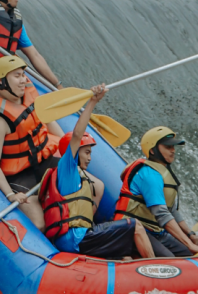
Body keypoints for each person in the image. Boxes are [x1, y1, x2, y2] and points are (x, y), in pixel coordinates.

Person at [39, 85, 156, 260]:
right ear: (75, 151)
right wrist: (93, 101)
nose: (90, 158)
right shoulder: (67, 168)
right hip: (75, 239)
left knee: (126, 255)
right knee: (135, 226)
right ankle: (154, 266)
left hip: (79, 237)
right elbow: (77, 134)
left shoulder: (83, 178)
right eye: (86, 152)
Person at [0, 55, 64, 230]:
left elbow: (47, 122)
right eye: (16, 76)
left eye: (23, 74)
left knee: (96, 187)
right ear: (2, 82)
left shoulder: (29, 97)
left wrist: (67, 147)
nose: (23, 80)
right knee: (38, 223)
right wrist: (10, 195)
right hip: (19, 174)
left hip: (42, 159)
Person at [113, 126, 198, 257]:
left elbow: (171, 210)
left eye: (173, 147)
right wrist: (189, 245)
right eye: (168, 147)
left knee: (189, 256)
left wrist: (190, 235)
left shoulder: (161, 172)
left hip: (154, 231)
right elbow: (161, 214)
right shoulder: (149, 174)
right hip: (132, 231)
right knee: (171, 262)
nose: (173, 151)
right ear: (153, 150)